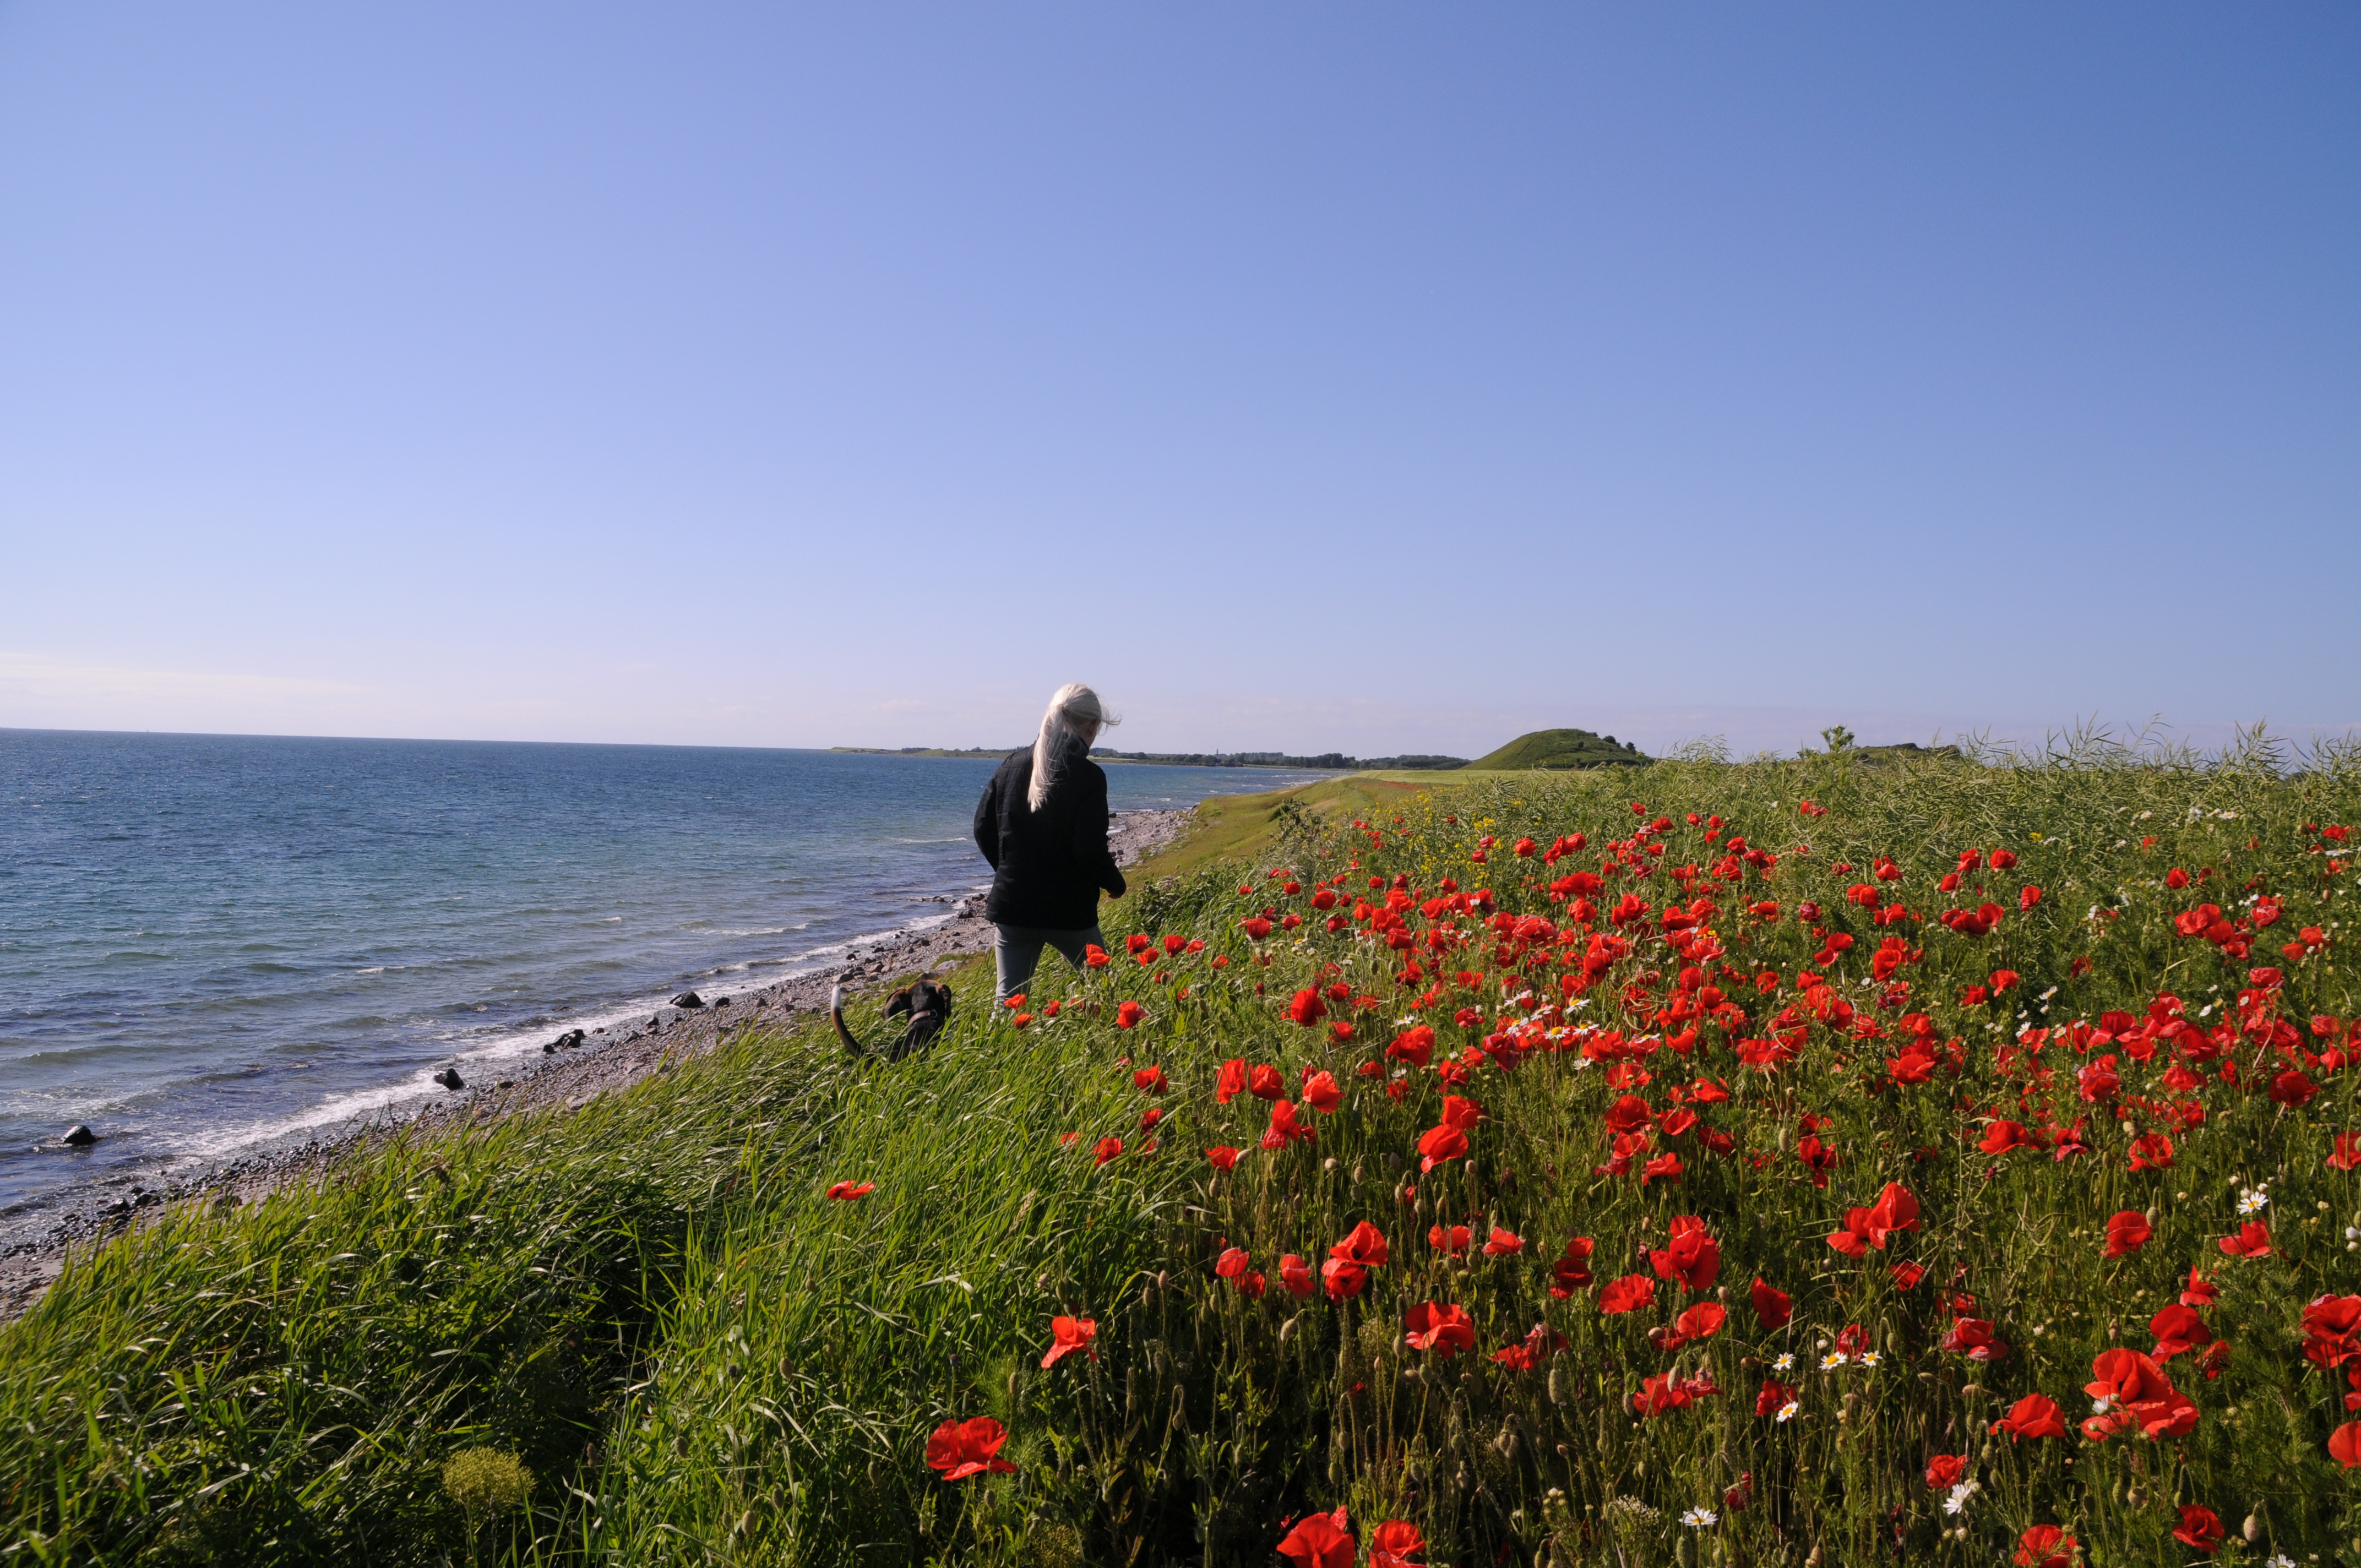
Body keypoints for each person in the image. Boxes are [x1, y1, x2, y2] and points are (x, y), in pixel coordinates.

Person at [974, 683, 1127, 1004]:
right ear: (1092, 726)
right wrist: (1116, 884)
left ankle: (1002, 1053)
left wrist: (1010, 871)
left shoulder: (1011, 765)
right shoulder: (1089, 777)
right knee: (1106, 996)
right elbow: (1088, 850)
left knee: (1009, 1004)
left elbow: (983, 828)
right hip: (1069, 912)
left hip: (1014, 906)